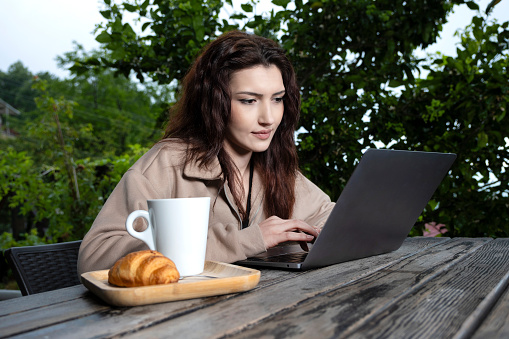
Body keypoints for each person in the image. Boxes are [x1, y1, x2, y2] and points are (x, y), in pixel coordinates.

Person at [77, 30, 335, 275]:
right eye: (248, 101)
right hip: (180, 316)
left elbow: (333, 216)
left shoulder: (274, 166)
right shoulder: (169, 163)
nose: (269, 118)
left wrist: (330, 232)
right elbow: (94, 259)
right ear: (214, 101)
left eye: (277, 99)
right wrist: (248, 240)